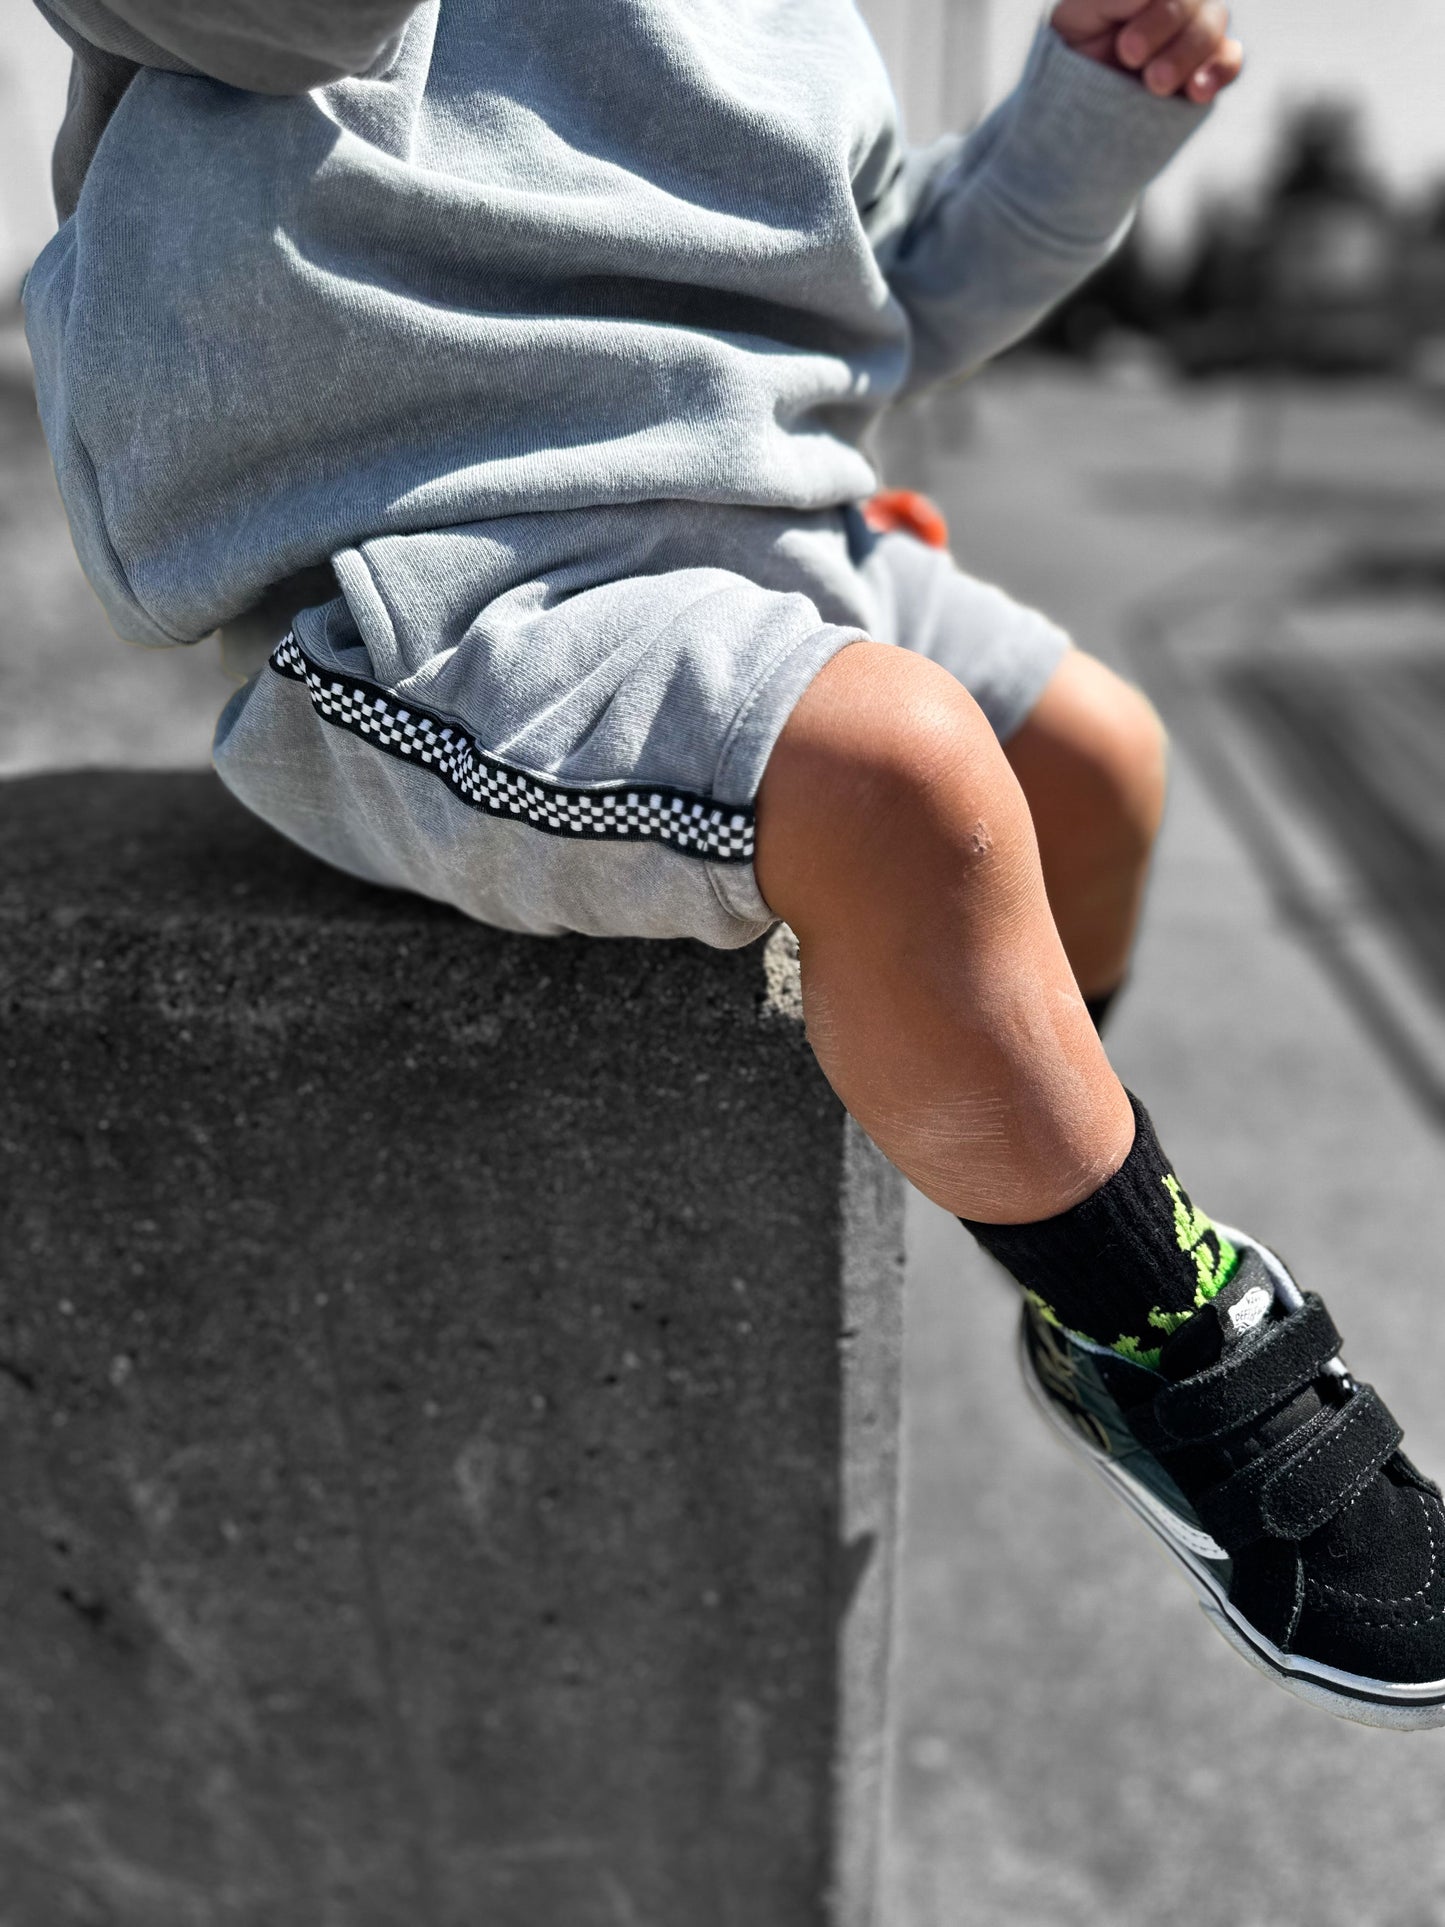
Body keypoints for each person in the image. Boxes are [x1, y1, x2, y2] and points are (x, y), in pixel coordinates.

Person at [24, 0, 1445, 1727]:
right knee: (910, 782)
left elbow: (896, 298)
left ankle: (1052, 1207)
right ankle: (1161, 1330)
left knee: (1095, 755)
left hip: (782, 541)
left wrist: (1089, 108)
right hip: (452, 581)